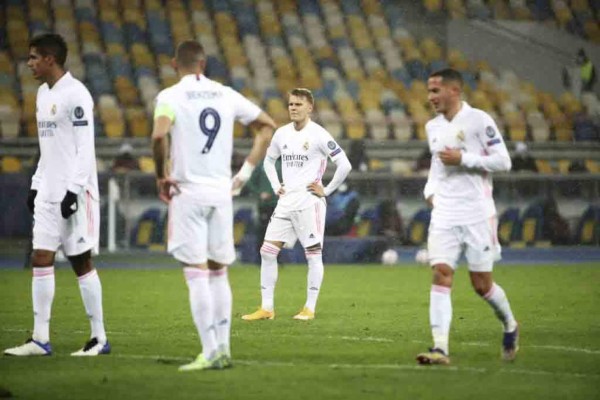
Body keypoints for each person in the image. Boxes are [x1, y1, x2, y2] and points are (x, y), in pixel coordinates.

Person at [151, 40, 276, 372]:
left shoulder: (169, 97)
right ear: (203, 64)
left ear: (175, 64)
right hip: (222, 192)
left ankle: (209, 351)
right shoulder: (226, 94)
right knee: (219, 271)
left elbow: (158, 136)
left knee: (196, 274)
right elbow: (267, 126)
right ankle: (223, 349)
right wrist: (245, 173)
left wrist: (161, 175)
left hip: (188, 192)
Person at [4, 34, 109, 357]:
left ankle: (99, 338)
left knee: (80, 261)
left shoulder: (76, 94)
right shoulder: (41, 94)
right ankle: (39, 339)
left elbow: (84, 148)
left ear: (50, 59)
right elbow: (47, 147)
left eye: (34, 57)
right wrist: (37, 183)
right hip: (48, 191)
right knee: (40, 257)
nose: (30, 63)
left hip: (74, 192)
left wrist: (73, 191)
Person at [416, 69, 518, 365]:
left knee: (481, 285)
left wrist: (465, 159)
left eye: (436, 91)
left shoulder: (479, 121)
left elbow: (504, 161)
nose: (430, 97)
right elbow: (436, 169)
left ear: (454, 91)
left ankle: (510, 324)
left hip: (477, 213)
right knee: (441, 273)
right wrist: (431, 192)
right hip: (445, 213)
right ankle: (440, 348)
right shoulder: (432, 127)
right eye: (429, 91)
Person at [242, 88, 352, 321]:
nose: (293, 108)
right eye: (290, 104)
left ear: (309, 108)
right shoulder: (281, 134)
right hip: (285, 203)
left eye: (298, 104)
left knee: (312, 255)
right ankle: (267, 308)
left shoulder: (319, 134)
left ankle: (309, 308)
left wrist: (326, 190)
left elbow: (345, 165)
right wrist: (275, 186)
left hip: (309, 204)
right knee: (267, 252)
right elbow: (269, 161)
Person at [243, 160, 280, 263]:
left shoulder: (282, 164)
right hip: (264, 205)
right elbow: (250, 183)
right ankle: (260, 259)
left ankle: (276, 259)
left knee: (278, 233)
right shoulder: (261, 165)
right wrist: (260, 193)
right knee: (263, 232)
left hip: (280, 204)